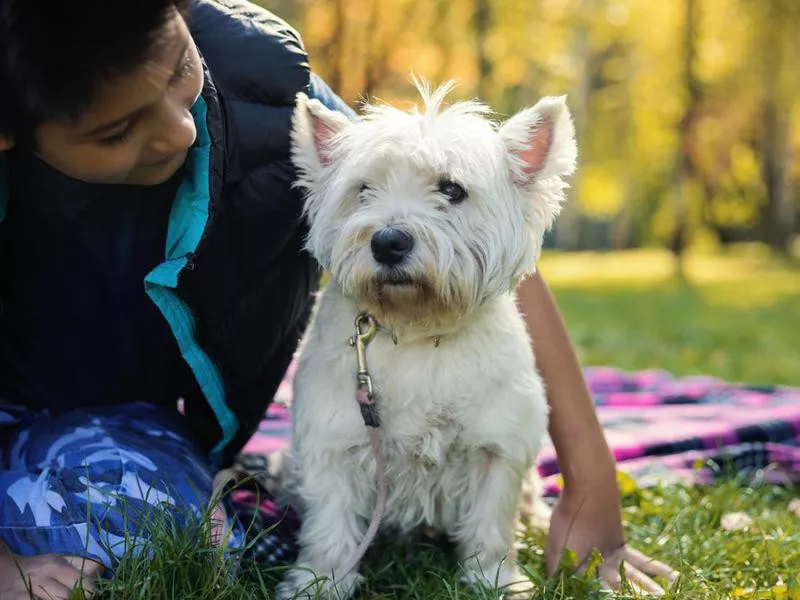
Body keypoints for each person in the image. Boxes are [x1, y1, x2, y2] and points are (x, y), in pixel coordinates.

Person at [0, 0, 678, 598]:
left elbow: (487, 228)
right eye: (117, 131)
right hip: (27, 397)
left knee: (173, 534)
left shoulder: (265, 94)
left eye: (181, 68)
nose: (178, 129)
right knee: (95, 547)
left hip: (132, 413)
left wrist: (591, 482)